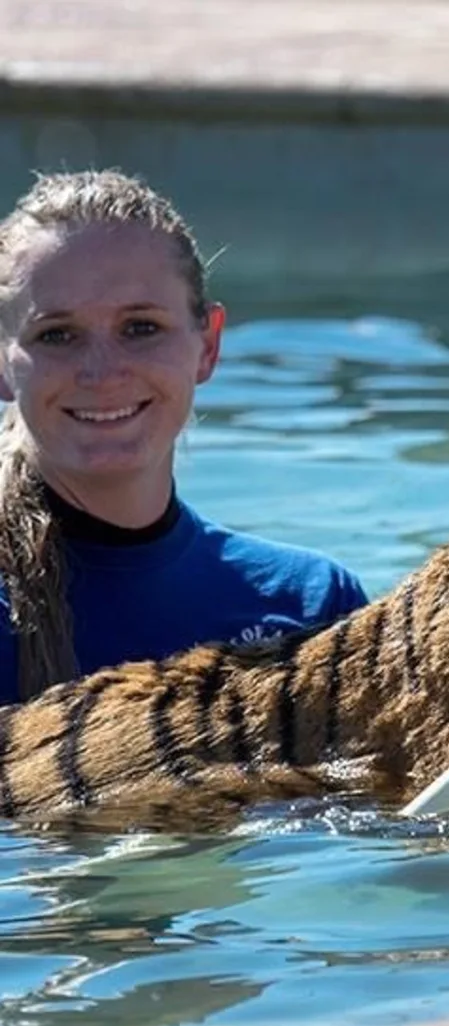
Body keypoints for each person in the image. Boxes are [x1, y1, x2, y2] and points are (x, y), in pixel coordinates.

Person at [0, 169, 368, 705]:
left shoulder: (309, 605)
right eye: (57, 335)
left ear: (208, 345)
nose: (102, 373)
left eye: (141, 328)